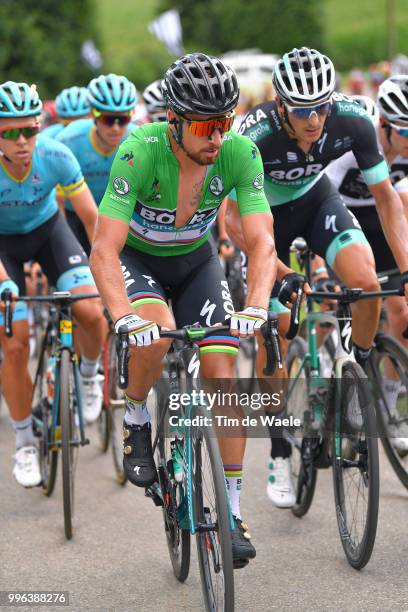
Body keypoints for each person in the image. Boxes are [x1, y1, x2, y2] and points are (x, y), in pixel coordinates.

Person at [90, 53, 277, 566]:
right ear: (173, 120)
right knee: (156, 332)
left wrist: (257, 305)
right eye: (204, 125)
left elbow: (262, 244)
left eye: (225, 122)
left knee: (223, 371)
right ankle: (134, 418)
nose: (217, 137)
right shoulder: (138, 151)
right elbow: (104, 249)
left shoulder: (240, 153)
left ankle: (233, 513)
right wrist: (121, 314)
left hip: (197, 264)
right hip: (139, 260)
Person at [224, 47, 408, 508]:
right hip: (262, 217)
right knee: (277, 330)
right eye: (303, 109)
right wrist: (280, 270)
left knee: (366, 283)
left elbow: (387, 199)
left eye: (321, 107)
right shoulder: (252, 134)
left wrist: (406, 267)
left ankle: (357, 373)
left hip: (316, 203)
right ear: (280, 103)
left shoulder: (353, 121)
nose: (314, 119)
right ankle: (280, 449)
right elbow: (230, 221)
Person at [0, 81, 106, 486]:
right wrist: (7, 284)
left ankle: (88, 376)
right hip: (4, 248)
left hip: (49, 233)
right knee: (14, 341)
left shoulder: (56, 155)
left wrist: (107, 272)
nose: (22, 140)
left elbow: (93, 220)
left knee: (91, 312)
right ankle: (25, 442)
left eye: (29, 130)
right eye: (10, 132)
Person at [326, 81, 408, 450]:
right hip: (339, 218)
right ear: (384, 125)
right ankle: (326, 371)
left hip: (378, 218)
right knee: (338, 308)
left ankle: (389, 411)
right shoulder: (356, 147)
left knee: (401, 313)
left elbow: (397, 207)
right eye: (404, 130)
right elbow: (320, 198)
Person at [55, 74, 138, 255]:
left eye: (123, 120)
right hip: (75, 215)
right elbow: (58, 200)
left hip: (118, 215)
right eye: (108, 120)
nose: (116, 128)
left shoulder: (137, 140)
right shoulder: (69, 140)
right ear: (94, 115)